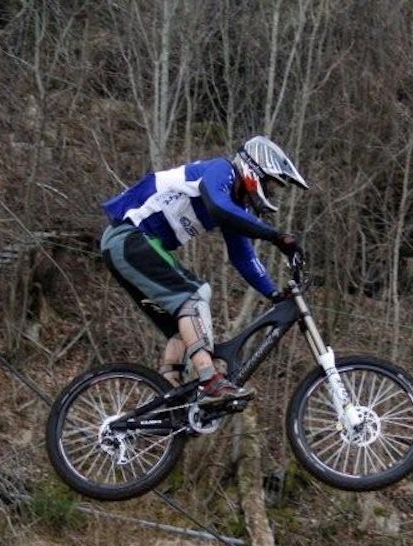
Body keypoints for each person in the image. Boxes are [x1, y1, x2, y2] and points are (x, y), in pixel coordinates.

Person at [99, 135, 308, 407]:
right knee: (195, 295)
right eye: (270, 185)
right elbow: (218, 207)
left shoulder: (233, 204)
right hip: (129, 237)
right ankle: (209, 380)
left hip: (130, 246)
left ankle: (168, 393)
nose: (270, 194)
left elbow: (243, 257)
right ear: (254, 170)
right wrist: (276, 236)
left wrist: (274, 295)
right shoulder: (221, 171)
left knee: (182, 329)